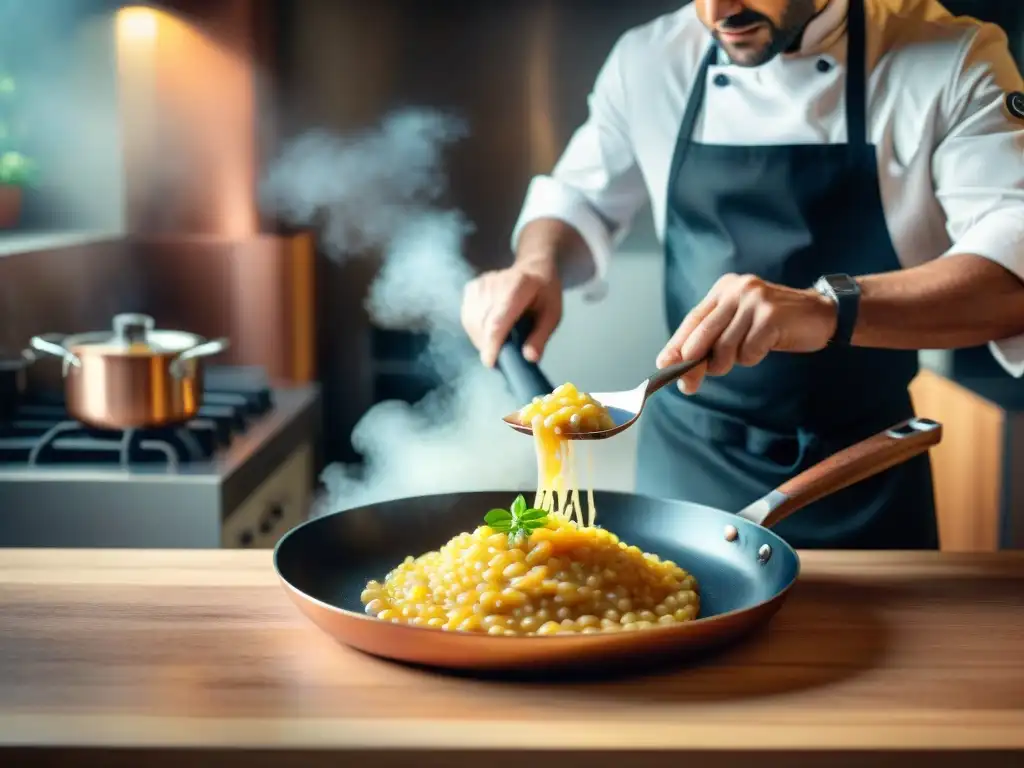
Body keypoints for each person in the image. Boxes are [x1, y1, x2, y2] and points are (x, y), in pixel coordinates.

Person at [460, 0, 1024, 549]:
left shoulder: (952, 57)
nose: (716, 12)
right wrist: (538, 263)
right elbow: (580, 197)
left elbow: (1012, 275)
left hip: (864, 467)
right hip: (687, 470)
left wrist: (828, 309)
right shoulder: (650, 58)